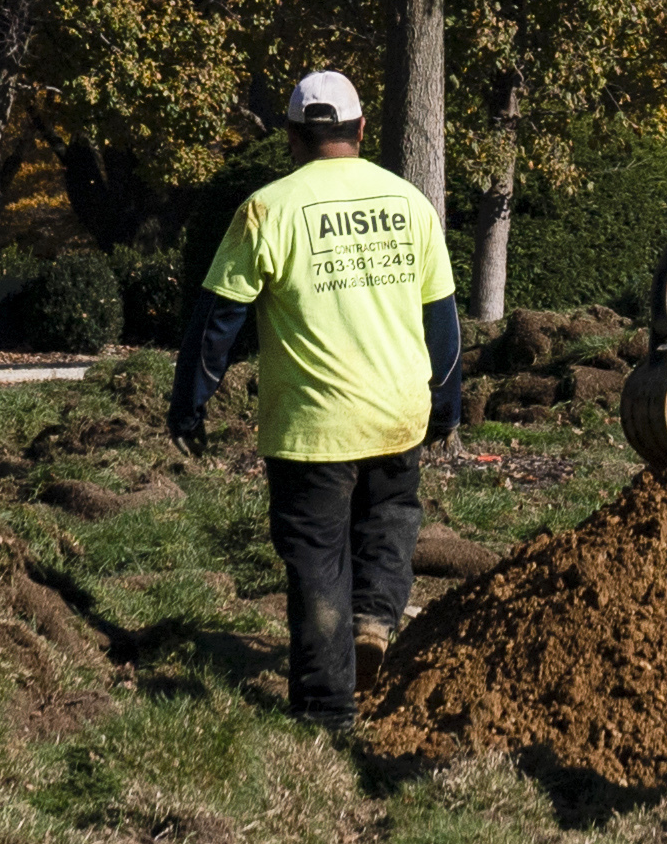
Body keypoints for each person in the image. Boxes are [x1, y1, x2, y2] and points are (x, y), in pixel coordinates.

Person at [168, 67, 462, 734]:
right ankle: (374, 620)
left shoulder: (268, 208)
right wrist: (446, 406)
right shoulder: (411, 204)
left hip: (312, 425)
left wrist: (189, 406)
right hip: (396, 414)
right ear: (361, 130)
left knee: (316, 555)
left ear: (293, 139)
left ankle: (328, 712)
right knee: (390, 524)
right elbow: (442, 323)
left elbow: (216, 322)